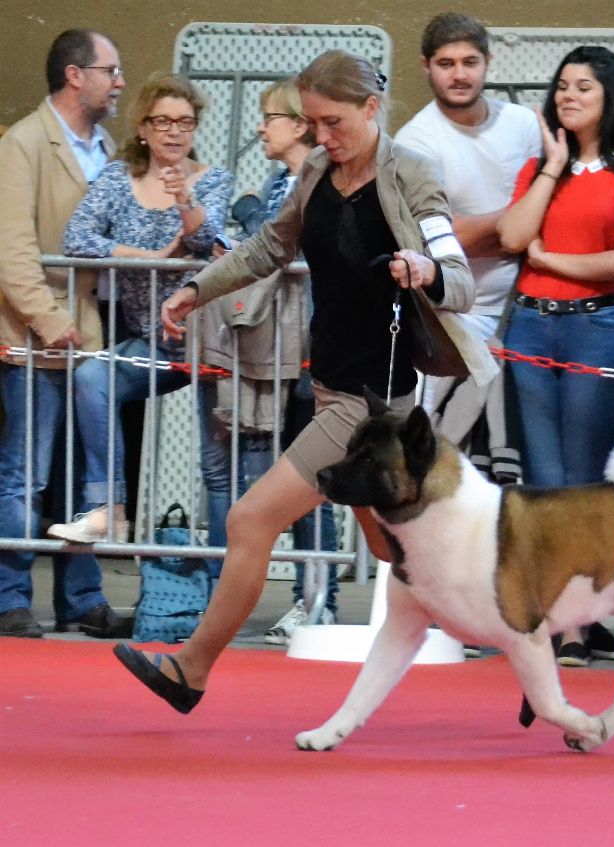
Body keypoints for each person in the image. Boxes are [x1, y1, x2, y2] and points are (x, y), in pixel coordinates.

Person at [112, 49, 485, 712]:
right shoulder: (315, 169)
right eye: (313, 123)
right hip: (332, 388)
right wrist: (197, 289)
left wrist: (426, 271)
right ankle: (517, 635)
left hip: (372, 406)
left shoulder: (412, 174)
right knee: (395, 549)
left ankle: (190, 670)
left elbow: (457, 279)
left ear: (371, 108)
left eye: (334, 121)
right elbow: (268, 247)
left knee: (250, 518)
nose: (322, 135)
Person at [496, 45, 614, 667]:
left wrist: (548, 258)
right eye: (563, 85)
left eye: (584, 86)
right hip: (531, 328)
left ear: (610, 96)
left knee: (585, 479)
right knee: (544, 477)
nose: (569, 95)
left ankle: (580, 619)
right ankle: (561, 621)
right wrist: (552, 168)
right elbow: (513, 237)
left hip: (595, 328)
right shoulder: (540, 167)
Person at [49, 74, 235, 566]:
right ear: (143, 128)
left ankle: (222, 587)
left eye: (185, 122)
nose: (174, 131)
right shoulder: (117, 179)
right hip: (153, 341)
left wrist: (185, 200)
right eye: (163, 121)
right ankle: (109, 509)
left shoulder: (212, 179)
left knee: (216, 467)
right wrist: (146, 257)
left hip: (209, 342)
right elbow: (77, 238)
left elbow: (206, 241)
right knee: (92, 376)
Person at [0, 29, 130, 638]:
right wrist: (50, 323)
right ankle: (10, 597)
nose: (119, 82)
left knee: (85, 478)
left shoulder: (107, 147)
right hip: (36, 340)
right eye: (110, 71)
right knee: (26, 474)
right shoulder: (23, 144)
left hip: (91, 339)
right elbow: (12, 251)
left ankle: (81, 598)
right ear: (76, 75)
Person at [201, 78, 339, 643]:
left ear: (300, 124)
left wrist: (252, 213)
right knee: (283, 476)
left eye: (270, 116)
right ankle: (298, 598)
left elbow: (288, 241)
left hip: (308, 351)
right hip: (272, 350)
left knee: (312, 478)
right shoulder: (276, 180)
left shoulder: (320, 177)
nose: (261, 127)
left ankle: (318, 600)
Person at [395, 12, 540, 486]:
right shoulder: (415, 141)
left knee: (517, 461)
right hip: (449, 315)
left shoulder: (523, 124)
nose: (459, 74)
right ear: (426, 66)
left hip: (524, 311)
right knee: (433, 457)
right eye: (446, 63)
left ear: (488, 62)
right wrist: (511, 224)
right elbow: (432, 238)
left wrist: (504, 230)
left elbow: (548, 212)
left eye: (469, 62)